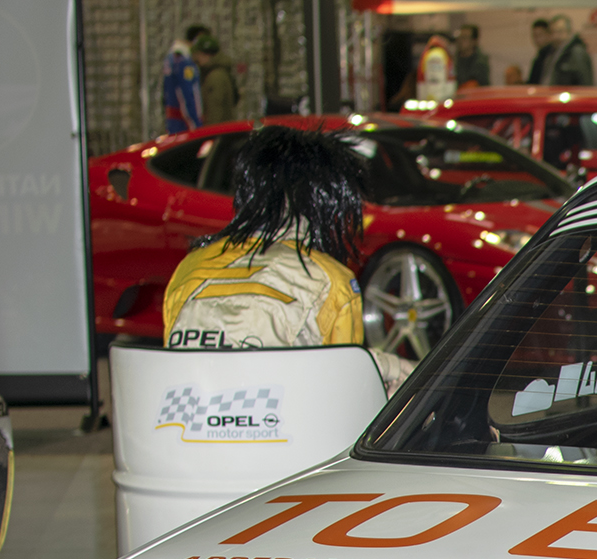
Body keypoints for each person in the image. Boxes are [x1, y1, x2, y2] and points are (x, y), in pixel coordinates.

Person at [162, 127, 414, 394]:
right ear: (325, 204)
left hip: (187, 424)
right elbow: (341, 388)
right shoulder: (331, 280)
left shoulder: (190, 267)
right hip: (279, 429)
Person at [163, 24, 207, 135]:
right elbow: (188, 93)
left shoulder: (172, 59)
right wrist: (195, 124)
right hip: (184, 124)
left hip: (175, 121)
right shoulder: (185, 63)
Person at [192, 35, 236, 126]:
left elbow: (215, 110)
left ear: (206, 55)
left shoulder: (215, 77)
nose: (197, 59)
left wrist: (211, 136)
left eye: (198, 55)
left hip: (218, 132)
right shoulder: (220, 72)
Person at [548, 15, 594, 86]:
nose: (555, 36)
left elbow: (585, 83)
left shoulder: (577, 53)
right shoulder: (555, 51)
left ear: (569, 31)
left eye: (559, 32)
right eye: (553, 32)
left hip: (571, 95)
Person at [453, 24, 492, 90]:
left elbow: (479, 86)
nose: (460, 40)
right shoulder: (453, 60)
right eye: (459, 37)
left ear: (474, 41)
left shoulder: (481, 63)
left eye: (464, 38)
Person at [527, 18, 559, 87]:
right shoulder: (540, 57)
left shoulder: (552, 58)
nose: (537, 40)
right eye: (534, 36)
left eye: (540, 35)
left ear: (549, 35)